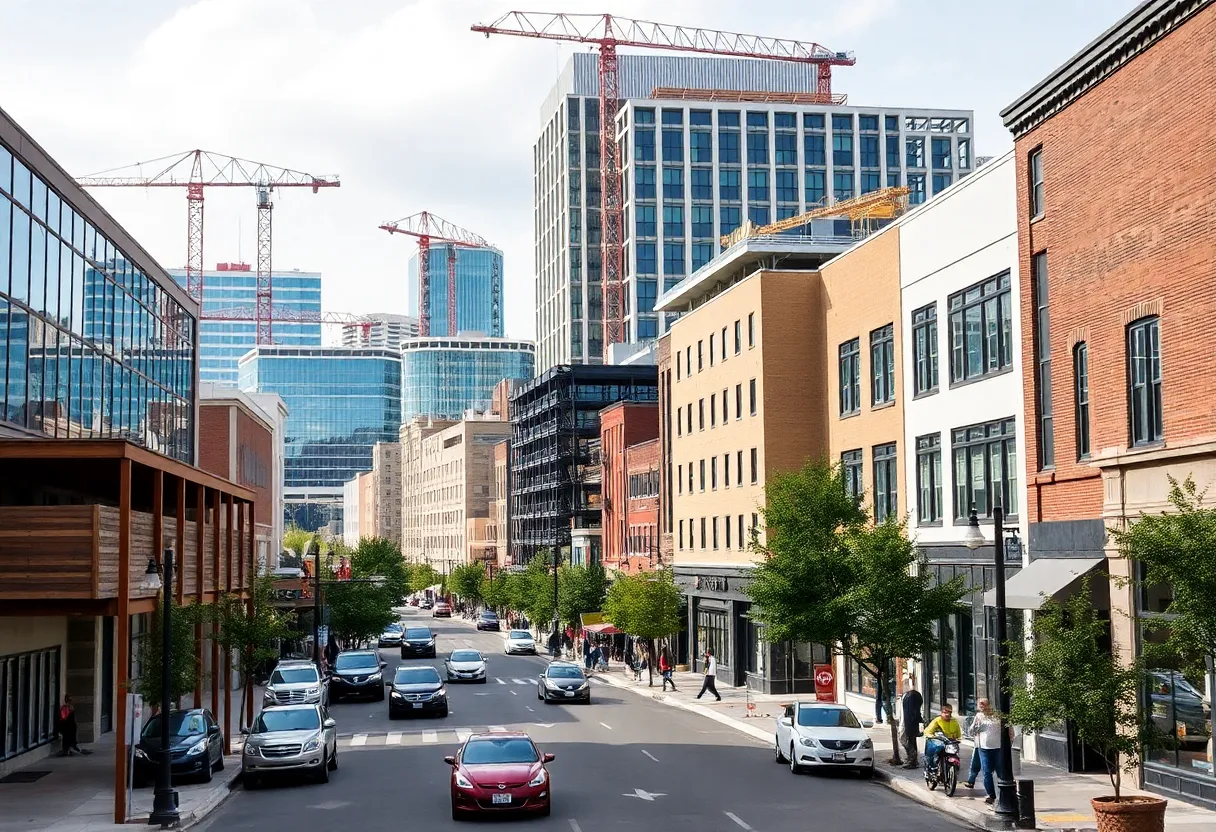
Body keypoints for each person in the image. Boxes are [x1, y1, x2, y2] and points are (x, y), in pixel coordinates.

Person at [966, 699, 1005, 804]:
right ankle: (991, 795)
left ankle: (1004, 795)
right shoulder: (979, 716)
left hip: (998, 748)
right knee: (987, 772)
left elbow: (1008, 730)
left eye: (984, 705)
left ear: (989, 705)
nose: (982, 707)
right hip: (984, 748)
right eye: (980, 705)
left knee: (1001, 772)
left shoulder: (997, 716)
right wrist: (977, 727)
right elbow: (971, 732)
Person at [922, 703, 963, 774]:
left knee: (956, 757)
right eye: (945, 712)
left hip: (950, 744)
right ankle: (932, 769)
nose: (947, 714)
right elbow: (927, 732)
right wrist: (933, 737)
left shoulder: (954, 722)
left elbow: (958, 736)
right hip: (940, 743)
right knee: (934, 756)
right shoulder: (937, 721)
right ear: (942, 712)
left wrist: (958, 740)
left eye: (949, 712)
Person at [899, 676, 924, 768]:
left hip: (908, 724)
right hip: (909, 723)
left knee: (905, 740)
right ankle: (913, 759)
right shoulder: (909, 695)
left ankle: (912, 758)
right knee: (911, 741)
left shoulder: (911, 696)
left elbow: (913, 712)